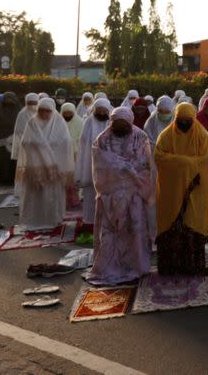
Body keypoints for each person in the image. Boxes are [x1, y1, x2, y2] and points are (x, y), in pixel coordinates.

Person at [86, 107, 154, 285]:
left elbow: (145, 164)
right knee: (110, 235)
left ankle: (137, 266)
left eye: (124, 124)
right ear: (112, 122)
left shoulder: (140, 137)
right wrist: (123, 168)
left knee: (134, 231)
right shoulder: (102, 140)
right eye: (118, 123)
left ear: (130, 122)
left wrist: (128, 171)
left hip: (133, 194)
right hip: (111, 195)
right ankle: (107, 268)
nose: (121, 126)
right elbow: (101, 163)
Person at [154, 102, 208, 275]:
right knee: (170, 226)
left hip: (195, 190)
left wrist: (182, 163)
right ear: (176, 118)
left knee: (193, 225)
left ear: (194, 119)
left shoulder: (202, 136)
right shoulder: (165, 136)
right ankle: (170, 268)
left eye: (188, 120)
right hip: (170, 191)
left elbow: (206, 160)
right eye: (181, 119)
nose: (185, 123)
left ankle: (193, 267)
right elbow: (159, 157)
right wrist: (184, 162)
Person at [16, 98, 75, 227]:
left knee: (51, 194)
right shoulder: (32, 122)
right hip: (36, 165)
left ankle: (53, 219)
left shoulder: (59, 122)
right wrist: (39, 145)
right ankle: (34, 220)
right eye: (41, 111)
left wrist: (48, 147)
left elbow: (66, 142)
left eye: (47, 111)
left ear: (52, 111)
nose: (44, 114)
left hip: (54, 166)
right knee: (35, 194)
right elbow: (25, 142)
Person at [75, 99, 112, 224]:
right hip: (90, 162)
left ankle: (107, 221)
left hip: (108, 164)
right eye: (99, 110)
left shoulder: (112, 122)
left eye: (104, 111)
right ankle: (90, 219)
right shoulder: (88, 122)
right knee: (90, 193)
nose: (101, 113)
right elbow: (83, 143)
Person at [0, 92, 20, 186]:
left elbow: (21, 125)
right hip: (1, 141)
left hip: (15, 140)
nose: (9, 101)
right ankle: (1, 180)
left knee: (13, 161)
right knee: (2, 161)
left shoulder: (19, 110)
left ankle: (12, 180)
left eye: (11, 99)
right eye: (7, 99)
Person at [60, 103, 84, 209]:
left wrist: (72, 143)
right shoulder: (57, 122)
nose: (68, 115)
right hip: (61, 154)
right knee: (63, 179)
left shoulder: (80, 122)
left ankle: (75, 199)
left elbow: (82, 139)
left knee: (74, 178)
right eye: (65, 113)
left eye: (70, 113)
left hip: (76, 154)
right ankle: (63, 200)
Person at [11, 94, 39, 163]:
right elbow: (18, 133)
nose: (32, 105)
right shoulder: (22, 114)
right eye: (30, 103)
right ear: (26, 103)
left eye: (34, 103)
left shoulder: (42, 113)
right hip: (25, 146)